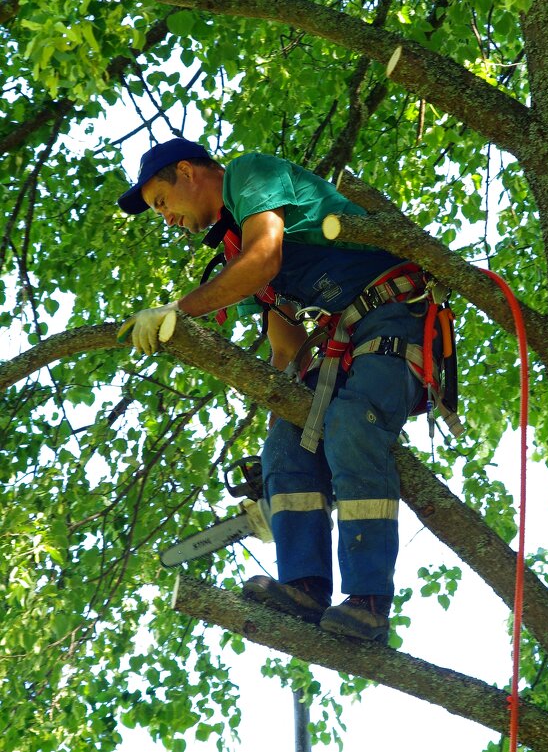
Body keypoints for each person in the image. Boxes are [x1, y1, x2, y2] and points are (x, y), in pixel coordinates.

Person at [117, 137, 437, 643]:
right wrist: (280, 470)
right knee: (285, 448)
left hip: (391, 312)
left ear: (187, 171)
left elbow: (266, 257)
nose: (166, 218)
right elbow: (284, 349)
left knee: (352, 424)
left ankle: (369, 601)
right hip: (337, 341)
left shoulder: (250, 174)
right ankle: (305, 587)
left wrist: (178, 310)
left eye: (162, 202)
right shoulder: (232, 251)